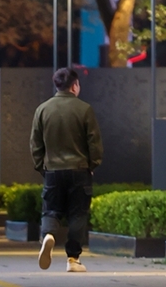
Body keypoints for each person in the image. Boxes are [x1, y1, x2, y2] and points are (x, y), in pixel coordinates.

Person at [30, 67, 103, 273]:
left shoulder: (42, 109)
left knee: (51, 210)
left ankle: (49, 236)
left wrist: (41, 166)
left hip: (52, 170)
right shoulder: (84, 109)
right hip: (80, 169)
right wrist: (92, 164)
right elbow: (94, 143)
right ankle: (73, 259)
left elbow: (35, 143)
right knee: (78, 215)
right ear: (75, 85)